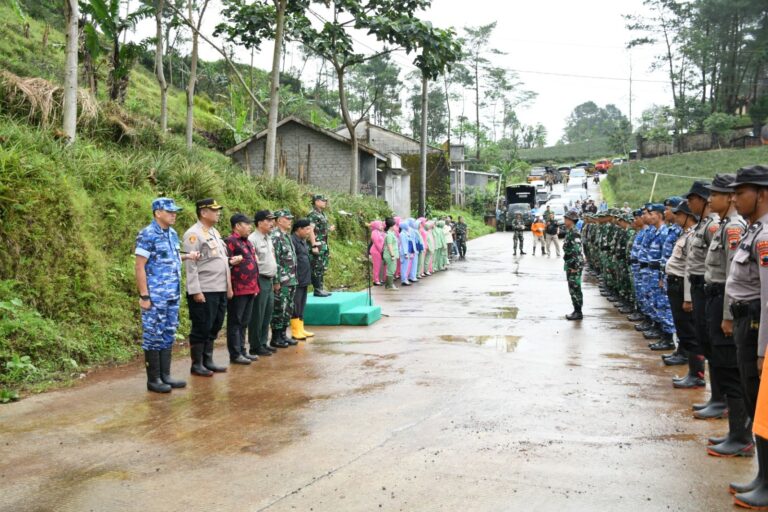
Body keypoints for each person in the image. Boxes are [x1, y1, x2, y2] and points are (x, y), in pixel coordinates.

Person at [724, 165, 768, 508]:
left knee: (761, 402)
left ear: (762, 193)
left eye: (741, 192)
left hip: (756, 324)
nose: (735, 198)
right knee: (755, 400)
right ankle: (762, 476)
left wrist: (764, 346)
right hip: (744, 321)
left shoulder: (765, 235)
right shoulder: (755, 230)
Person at [703, 174, 750, 454]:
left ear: (729, 197)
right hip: (716, 297)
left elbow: (733, 275)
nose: (711, 200)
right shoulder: (723, 225)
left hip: (725, 299)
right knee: (722, 364)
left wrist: (727, 315)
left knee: (732, 372)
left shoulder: (733, 228)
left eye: (715, 195)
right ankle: (735, 433)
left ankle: (741, 437)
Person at [134, 197, 199, 393]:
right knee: (153, 334)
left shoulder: (171, 234)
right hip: (155, 296)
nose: (174, 214)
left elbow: (169, 257)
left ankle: (165, 375)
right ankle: (153, 379)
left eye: (175, 211)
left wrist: (186, 256)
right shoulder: (147, 234)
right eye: (169, 211)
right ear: (157, 213)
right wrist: (144, 296)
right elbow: (140, 266)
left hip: (172, 294)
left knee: (168, 332)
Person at [676, 181, 719, 390]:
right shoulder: (702, 225)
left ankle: (707, 384)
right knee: (702, 336)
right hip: (697, 286)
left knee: (709, 339)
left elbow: (717, 263)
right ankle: (700, 379)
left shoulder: (712, 226)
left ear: (702, 200)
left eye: (691, 199)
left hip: (706, 287)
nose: (688, 204)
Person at [183, 198, 233, 377]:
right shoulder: (193, 234)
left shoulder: (213, 232)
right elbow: (191, 265)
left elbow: (218, 260)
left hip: (219, 288)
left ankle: (208, 360)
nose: (218, 212)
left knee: (215, 325)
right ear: (203, 212)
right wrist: (195, 290)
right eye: (214, 210)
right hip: (205, 289)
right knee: (202, 326)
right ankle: (197, 364)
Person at [225, 213, 260, 365]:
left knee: (244, 321)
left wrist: (256, 286)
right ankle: (235, 353)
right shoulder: (230, 241)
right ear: (238, 226)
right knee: (236, 321)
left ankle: (243, 350)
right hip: (238, 288)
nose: (250, 227)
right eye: (247, 224)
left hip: (251, 288)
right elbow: (226, 264)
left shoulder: (248, 242)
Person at [247, 210, 277, 357]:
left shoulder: (268, 238)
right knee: (257, 314)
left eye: (272, 220)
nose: (272, 223)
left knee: (267, 313)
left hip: (269, 279)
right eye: (268, 220)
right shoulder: (253, 239)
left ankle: (264, 342)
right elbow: (253, 264)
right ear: (259, 223)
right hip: (259, 279)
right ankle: (255, 345)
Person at [271, 209, 298, 347]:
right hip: (282, 280)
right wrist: (276, 281)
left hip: (291, 279)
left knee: (288, 308)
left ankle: (283, 334)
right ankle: (276, 337)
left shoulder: (285, 235)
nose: (290, 221)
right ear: (280, 220)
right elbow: (275, 260)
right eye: (287, 218)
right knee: (279, 308)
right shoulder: (275, 236)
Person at [290, 219, 314, 341]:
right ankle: (295, 330)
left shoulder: (302, 241)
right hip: (297, 277)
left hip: (304, 277)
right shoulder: (292, 240)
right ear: (299, 229)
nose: (308, 232)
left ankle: (301, 327)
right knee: (296, 303)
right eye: (306, 229)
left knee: (302, 303)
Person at [308, 194, 334, 297]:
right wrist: (314, 244)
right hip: (317, 244)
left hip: (323, 244)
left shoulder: (322, 214)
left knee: (322, 267)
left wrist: (328, 229)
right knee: (317, 267)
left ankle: (321, 288)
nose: (325, 202)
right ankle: (317, 289)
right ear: (316, 201)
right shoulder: (313, 214)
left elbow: (320, 230)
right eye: (323, 201)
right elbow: (311, 229)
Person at [563, 209, 584, 320]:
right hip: (570, 264)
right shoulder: (570, 231)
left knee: (575, 288)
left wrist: (575, 267)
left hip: (574, 265)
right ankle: (576, 310)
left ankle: (578, 311)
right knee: (572, 288)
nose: (564, 220)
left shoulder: (574, 232)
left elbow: (577, 250)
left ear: (571, 220)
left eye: (566, 219)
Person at [382, 217, 399, 290]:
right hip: (390, 255)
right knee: (391, 270)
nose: (396, 226)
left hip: (392, 254)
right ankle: (390, 286)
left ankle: (387, 285)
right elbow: (389, 245)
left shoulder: (391, 233)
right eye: (394, 225)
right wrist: (392, 255)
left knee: (391, 269)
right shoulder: (389, 235)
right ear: (391, 226)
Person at [369, 220, 385, 286]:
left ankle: (379, 279)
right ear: (376, 226)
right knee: (376, 266)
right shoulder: (374, 232)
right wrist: (381, 250)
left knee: (380, 266)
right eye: (380, 225)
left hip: (380, 251)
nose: (382, 226)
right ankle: (375, 280)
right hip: (376, 251)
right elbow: (376, 242)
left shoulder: (380, 232)